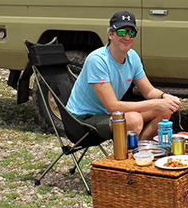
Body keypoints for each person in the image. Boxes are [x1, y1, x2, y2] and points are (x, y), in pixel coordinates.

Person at [66, 11, 181, 140]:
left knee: (165, 110)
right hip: (81, 122)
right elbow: (113, 107)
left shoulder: (132, 57)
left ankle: (143, 150)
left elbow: (149, 91)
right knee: (133, 119)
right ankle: (130, 157)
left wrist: (165, 97)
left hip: (108, 116)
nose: (127, 37)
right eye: (121, 32)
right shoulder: (97, 60)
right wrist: (155, 103)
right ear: (110, 34)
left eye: (131, 33)